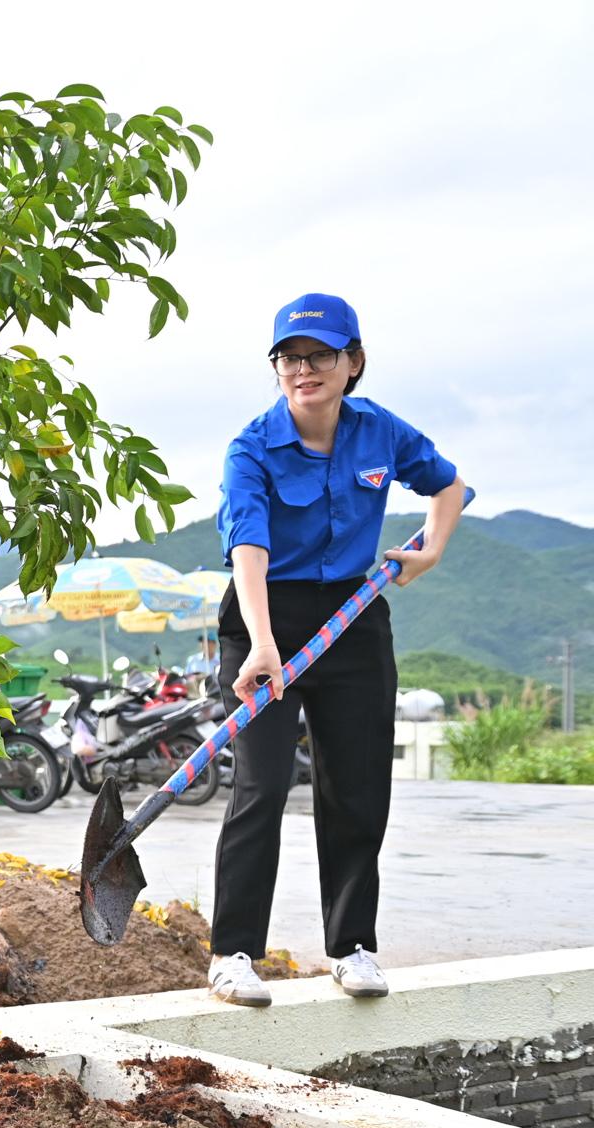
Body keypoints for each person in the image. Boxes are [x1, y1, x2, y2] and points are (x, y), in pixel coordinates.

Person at [208, 293, 465, 1009]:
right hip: (267, 616)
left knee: (355, 787)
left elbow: (450, 484)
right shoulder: (252, 447)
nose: (304, 369)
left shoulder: (378, 431)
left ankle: (353, 946)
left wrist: (431, 551)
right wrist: (263, 645)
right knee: (260, 785)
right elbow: (248, 549)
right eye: (289, 357)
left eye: (320, 355)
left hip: (353, 616)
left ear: (353, 362)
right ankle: (232, 953)